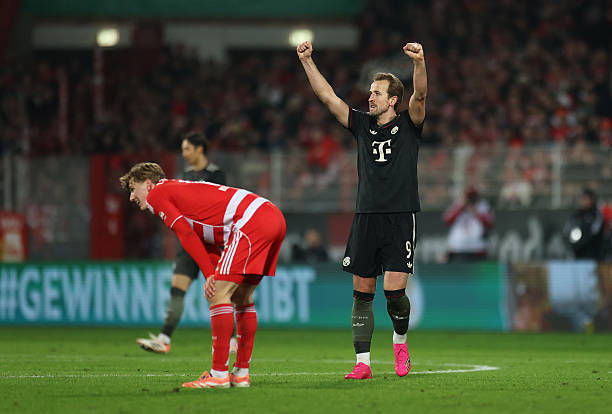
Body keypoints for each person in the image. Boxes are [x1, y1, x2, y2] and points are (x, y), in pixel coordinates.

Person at [297, 40, 427, 379]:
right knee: (362, 293)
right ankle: (363, 363)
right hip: (365, 216)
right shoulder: (361, 125)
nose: (370, 97)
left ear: (393, 100)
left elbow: (420, 96)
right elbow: (327, 97)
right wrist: (307, 60)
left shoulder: (409, 125)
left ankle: (400, 342)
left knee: (394, 293)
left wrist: (419, 63)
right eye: (370, 92)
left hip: (399, 216)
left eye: (377, 93)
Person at [120, 162, 286, 388]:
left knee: (217, 293)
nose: (131, 197)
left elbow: (186, 235)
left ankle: (218, 374)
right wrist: (214, 272)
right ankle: (240, 374)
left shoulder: (158, 193)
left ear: (148, 184)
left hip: (251, 221)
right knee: (241, 297)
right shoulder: (177, 190)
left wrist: (210, 275)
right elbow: (204, 239)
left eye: (133, 188)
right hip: (271, 216)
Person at [135, 132, 238, 355]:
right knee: (177, 290)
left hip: (210, 242)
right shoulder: (185, 175)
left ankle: (231, 339)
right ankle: (164, 339)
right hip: (188, 243)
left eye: (187, 149)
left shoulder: (216, 174)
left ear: (200, 149)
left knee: (219, 290)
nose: (184, 154)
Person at [443, 187, 493, 262]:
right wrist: (461, 207)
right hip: (458, 248)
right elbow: (447, 220)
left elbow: (489, 223)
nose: (471, 200)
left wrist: (476, 212)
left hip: (477, 248)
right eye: (469, 197)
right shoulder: (458, 205)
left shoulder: (482, 206)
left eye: (473, 198)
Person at [565, 187, 604, 260]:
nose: (583, 201)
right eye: (582, 199)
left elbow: (594, 232)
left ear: (592, 200)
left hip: (592, 255)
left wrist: (581, 241)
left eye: (586, 199)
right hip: (577, 254)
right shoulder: (577, 215)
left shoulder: (596, 215)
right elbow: (569, 229)